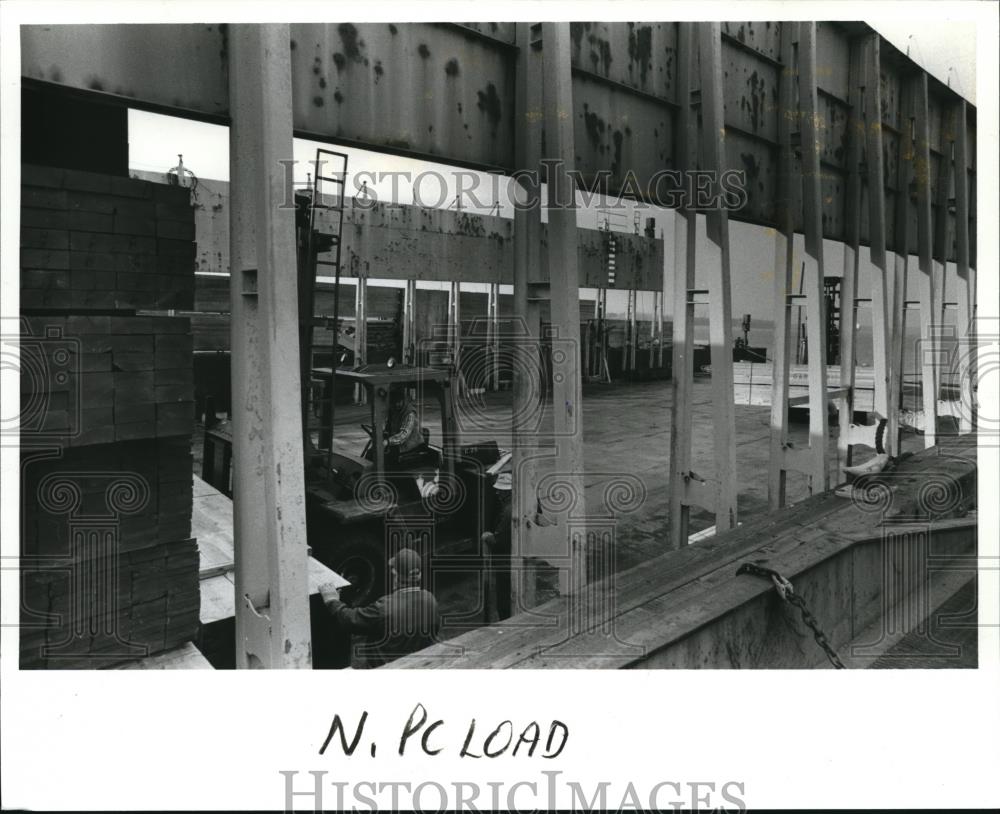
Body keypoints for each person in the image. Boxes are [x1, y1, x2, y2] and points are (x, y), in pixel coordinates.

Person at [318, 547, 440, 669]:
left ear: (396, 575)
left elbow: (350, 620)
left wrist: (332, 600)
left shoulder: (385, 607)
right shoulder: (430, 599)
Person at [383, 385, 423, 464]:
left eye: (398, 402)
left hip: (409, 444)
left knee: (387, 458)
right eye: (393, 403)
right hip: (397, 442)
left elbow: (404, 434)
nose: (396, 405)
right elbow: (389, 427)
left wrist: (387, 441)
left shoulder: (409, 413)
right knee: (372, 453)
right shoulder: (393, 411)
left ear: (403, 400)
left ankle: (389, 474)